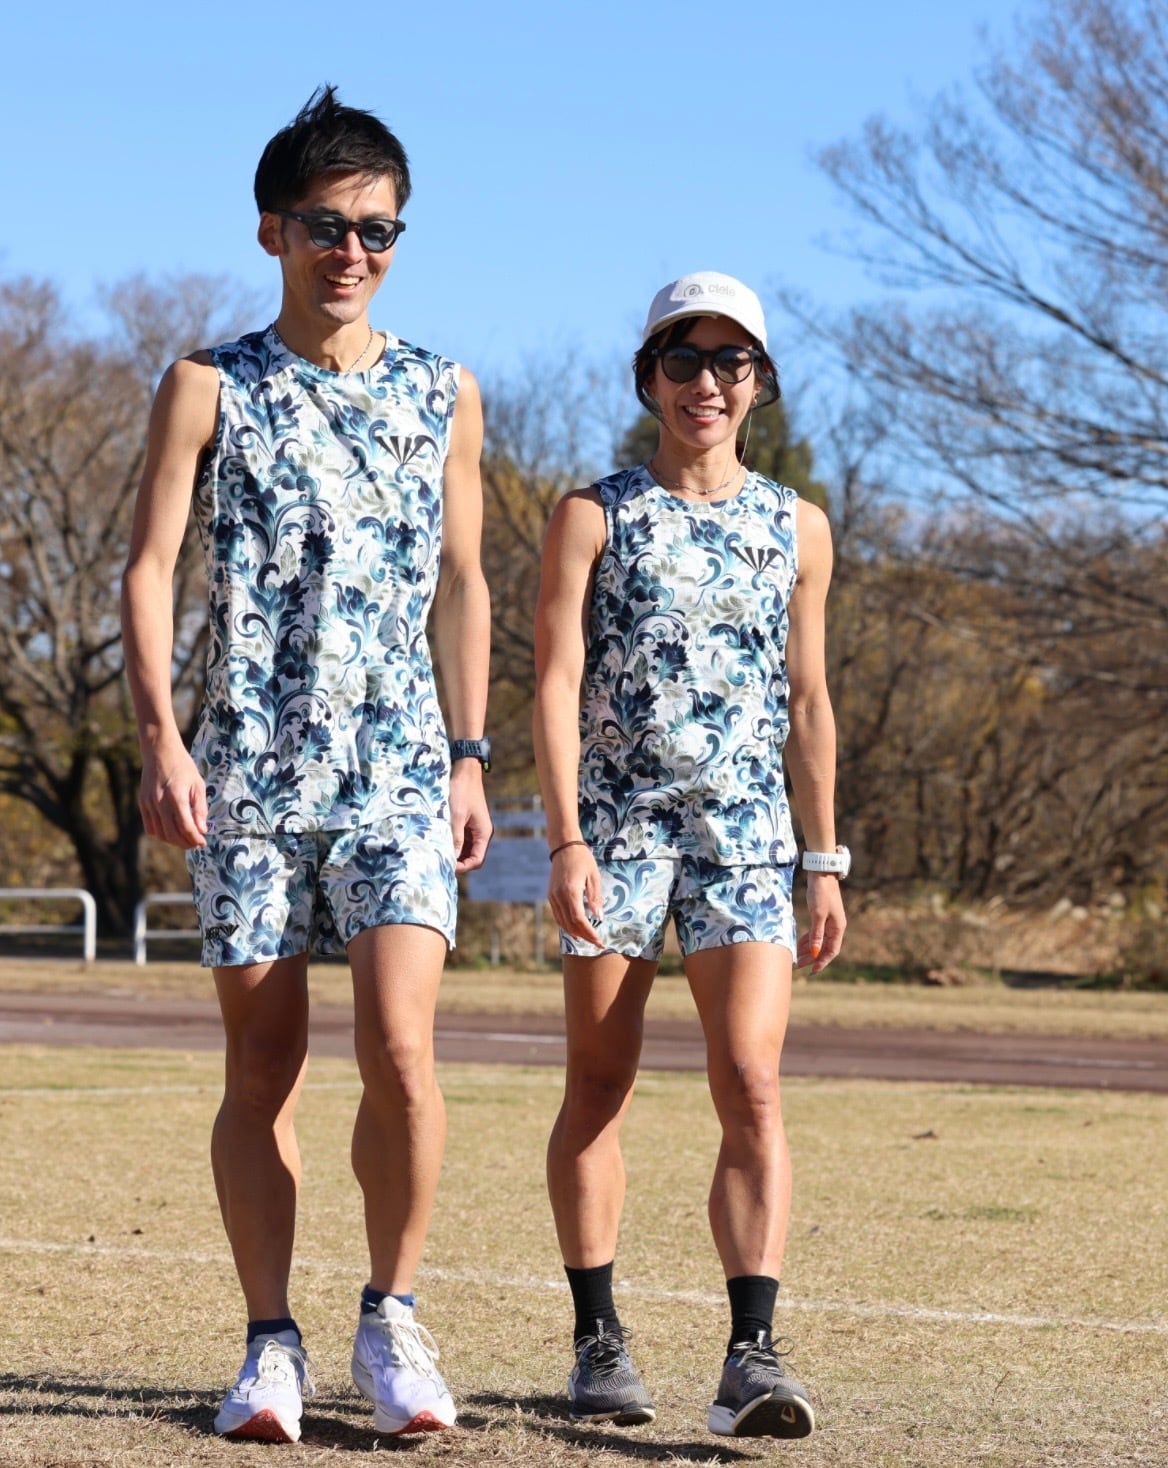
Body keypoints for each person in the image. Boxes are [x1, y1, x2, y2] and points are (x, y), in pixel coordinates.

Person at [121, 86, 492, 1444]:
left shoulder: (445, 391)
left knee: (401, 1049)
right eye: (328, 224)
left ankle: (392, 1317)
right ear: (272, 229)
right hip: (248, 777)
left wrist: (469, 754)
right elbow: (149, 569)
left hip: (400, 770)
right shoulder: (207, 385)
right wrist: (161, 737)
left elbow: (464, 581)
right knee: (262, 1064)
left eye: (378, 229)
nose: (352, 251)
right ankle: (268, 1341)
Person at [533, 271, 847, 1440]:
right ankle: (597, 1338)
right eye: (682, 359)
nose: (704, 382)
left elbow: (807, 699)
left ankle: (751, 1355)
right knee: (598, 1081)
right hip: (616, 831)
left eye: (729, 361)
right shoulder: (592, 513)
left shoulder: (797, 525)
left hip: (747, 838)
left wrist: (824, 857)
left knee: (751, 1082)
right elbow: (555, 681)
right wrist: (565, 835)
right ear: (648, 378)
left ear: (758, 381)